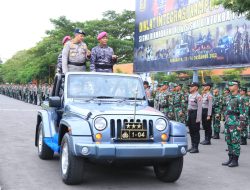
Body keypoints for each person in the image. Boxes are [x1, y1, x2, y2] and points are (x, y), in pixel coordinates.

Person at [222, 81, 246, 167]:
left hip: (235, 122)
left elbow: (243, 113)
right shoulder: (228, 97)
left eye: (231, 85)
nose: (229, 87)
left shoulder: (240, 98)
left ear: (236, 86)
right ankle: (230, 158)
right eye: (229, 85)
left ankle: (235, 160)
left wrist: (241, 125)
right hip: (228, 122)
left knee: (235, 141)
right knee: (229, 141)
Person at [186, 82, 202, 153]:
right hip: (190, 113)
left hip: (195, 113)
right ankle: (192, 145)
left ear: (196, 88)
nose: (190, 88)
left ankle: (196, 147)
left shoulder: (198, 96)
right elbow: (188, 107)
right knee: (191, 130)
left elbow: (200, 108)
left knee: (195, 131)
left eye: (191, 86)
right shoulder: (190, 95)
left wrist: (198, 119)